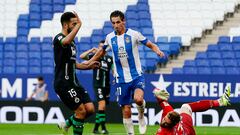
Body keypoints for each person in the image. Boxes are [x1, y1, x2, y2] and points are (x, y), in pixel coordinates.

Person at [85, 10, 165, 134]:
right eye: (113, 23)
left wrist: (157, 50)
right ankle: (130, 133)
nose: (116, 25)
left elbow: (150, 44)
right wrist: (89, 62)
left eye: (118, 22)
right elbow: (101, 52)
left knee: (138, 99)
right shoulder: (110, 38)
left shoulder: (134, 34)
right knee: (126, 109)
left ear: (123, 21)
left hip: (136, 75)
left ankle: (141, 116)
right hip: (120, 78)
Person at [53, 11, 100, 135]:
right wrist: (80, 25)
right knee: (81, 111)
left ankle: (66, 124)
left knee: (89, 109)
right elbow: (65, 42)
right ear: (65, 25)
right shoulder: (59, 38)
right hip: (63, 83)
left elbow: (74, 64)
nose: (75, 26)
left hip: (74, 82)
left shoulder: (72, 43)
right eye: (73, 24)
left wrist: (88, 66)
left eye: (76, 24)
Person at [153, 87, 231, 135]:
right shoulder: (169, 113)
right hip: (185, 128)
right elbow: (159, 97)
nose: (163, 122)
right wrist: (157, 91)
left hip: (185, 128)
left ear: (172, 125)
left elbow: (160, 100)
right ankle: (221, 102)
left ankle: (221, 101)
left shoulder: (164, 132)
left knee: (186, 107)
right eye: (164, 119)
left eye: (165, 122)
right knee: (186, 107)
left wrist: (157, 92)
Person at [80, 40, 113, 134]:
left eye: (103, 47)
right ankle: (103, 128)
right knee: (101, 104)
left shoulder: (110, 58)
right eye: (100, 47)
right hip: (98, 85)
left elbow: (114, 69)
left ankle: (95, 128)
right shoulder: (95, 57)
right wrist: (91, 50)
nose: (101, 48)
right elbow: (81, 56)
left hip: (107, 86)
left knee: (102, 108)